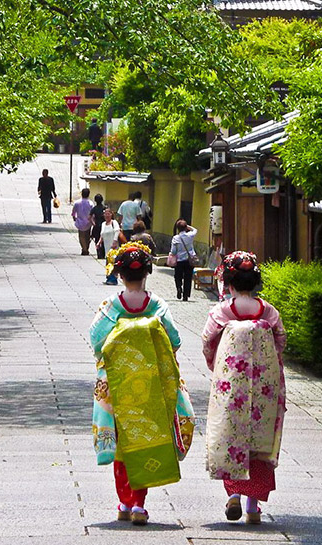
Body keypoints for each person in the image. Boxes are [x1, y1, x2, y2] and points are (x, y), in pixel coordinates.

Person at [90, 243, 195, 526]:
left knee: (123, 441)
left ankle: (124, 502)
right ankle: (138, 504)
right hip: (149, 383)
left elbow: (96, 340)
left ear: (120, 275)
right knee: (143, 437)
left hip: (117, 382)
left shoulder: (111, 306)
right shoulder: (156, 305)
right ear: (147, 273)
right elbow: (174, 339)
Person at [201, 251, 286, 526]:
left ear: (229, 283)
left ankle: (235, 493)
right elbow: (280, 341)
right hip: (264, 383)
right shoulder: (268, 311)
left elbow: (207, 340)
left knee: (232, 433)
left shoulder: (222, 311)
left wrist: (216, 364)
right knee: (260, 437)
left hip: (232, 383)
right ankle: (253, 506)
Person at [169, 219, 198, 301]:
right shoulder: (190, 235)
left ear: (177, 229)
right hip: (189, 260)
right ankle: (186, 295)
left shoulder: (175, 238)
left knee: (177, 276)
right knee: (188, 278)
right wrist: (188, 227)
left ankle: (179, 287)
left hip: (179, 260)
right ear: (186, 228)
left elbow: (173, 251)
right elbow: (195, 230)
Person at [97, 208, 122, 285]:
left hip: (113, 246)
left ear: (111, 214)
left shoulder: (114, 223)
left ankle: (113, 279)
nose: (107, 215)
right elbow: (102, 234)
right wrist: (99, 242)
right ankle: (108, 277)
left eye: (109, 213)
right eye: (105, 213)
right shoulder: (103, 224)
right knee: (108, 262)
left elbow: (117, 231)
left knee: (113, 262)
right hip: (106, 246)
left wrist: (115, 241)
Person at [72, 188, 94, 255]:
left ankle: (84, 248)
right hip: (88, 222)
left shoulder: (77, 202)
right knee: (87, 236)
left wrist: (74, 218)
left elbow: (73, 212)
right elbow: (93, 213)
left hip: (80, 221)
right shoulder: (91, 203)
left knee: (81, 236)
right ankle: (86, 248)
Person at [90, 194, 106, 259]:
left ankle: (99, 253)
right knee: (104, 240)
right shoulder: (104, 208)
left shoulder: (94, 208)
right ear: (102, 200)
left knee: (97, 240)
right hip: (104, 226)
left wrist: (93, 223)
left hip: (96, 227)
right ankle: (103, 253)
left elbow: (90, 217)